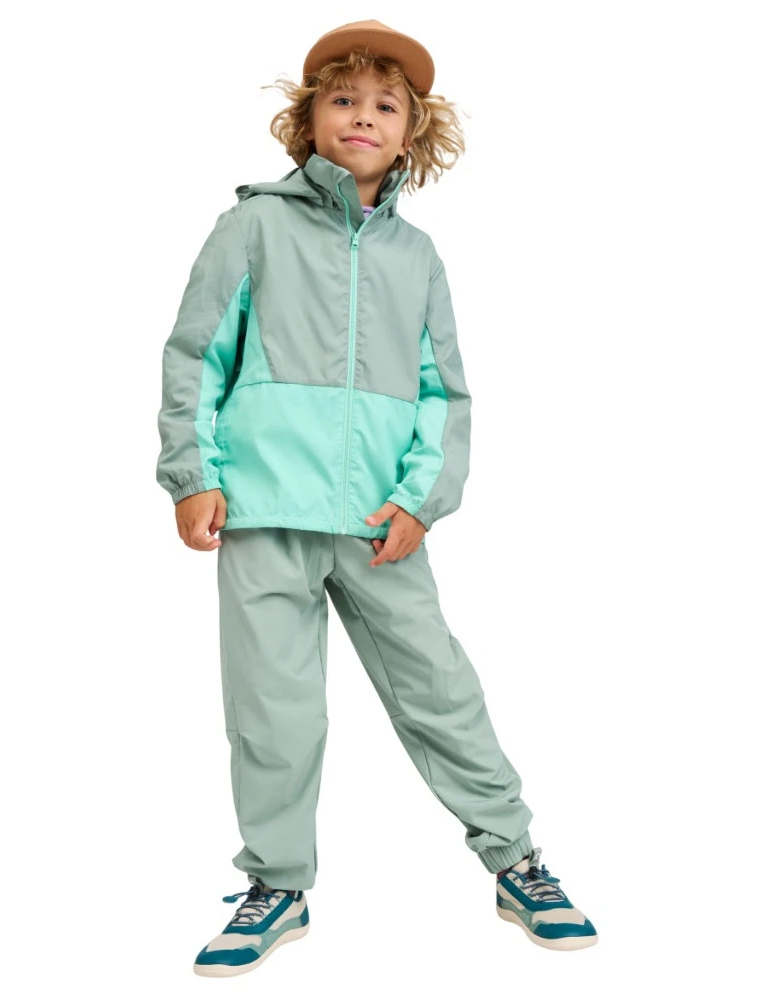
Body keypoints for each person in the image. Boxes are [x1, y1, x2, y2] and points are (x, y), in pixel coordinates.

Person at [155, 19, 598, 978]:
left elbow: (446, 393)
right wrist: (193, 475)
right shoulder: (252, 227)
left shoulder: (418, 257)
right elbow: (195, 355)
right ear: (308, 119)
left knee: (439, 689)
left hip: (379, 524)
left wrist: (421, 500)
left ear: (411, 134)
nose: (363, 116)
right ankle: (277, 886)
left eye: (385, 105)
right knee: (273, 711)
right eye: (343, 99)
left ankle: (515, 860)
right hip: (263, 512)